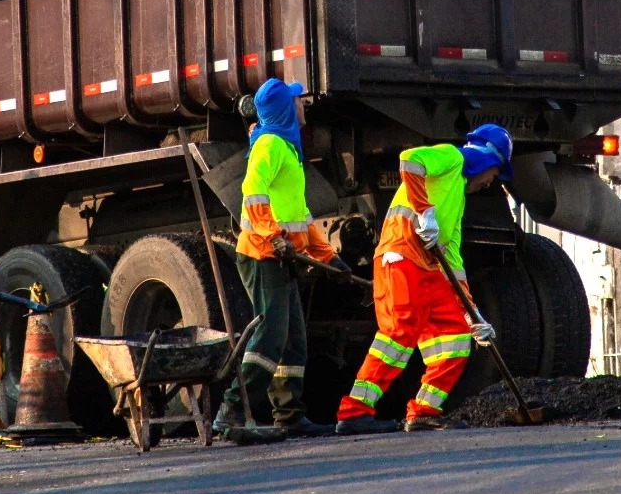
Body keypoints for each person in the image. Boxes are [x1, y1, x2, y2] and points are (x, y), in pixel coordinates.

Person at [334, 124, 512, 435]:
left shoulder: (457, 194)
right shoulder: (452, 157)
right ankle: (354, 412)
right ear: (487, 159)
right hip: (401, 255)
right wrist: (424, 211)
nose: (489, 183)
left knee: (456, 339)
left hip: (428, 269)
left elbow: (453, 261)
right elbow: (410, 160)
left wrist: (472, 314)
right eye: (495, 174)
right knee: (399, 331)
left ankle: (424, 411)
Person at [213, 78, 353, 438]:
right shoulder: (269, 145)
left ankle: (289, 414)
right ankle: (230, 412)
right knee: (270, 337)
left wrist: (329, 258)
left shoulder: (288, 149)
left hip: (280, 257)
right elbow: (252, 196)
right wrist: (273, 239)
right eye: (297, 101)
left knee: (293, 339)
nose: (302, 105)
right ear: (283, 109)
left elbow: (300, 216)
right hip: (262, 256)